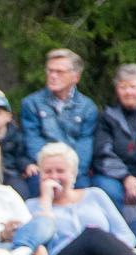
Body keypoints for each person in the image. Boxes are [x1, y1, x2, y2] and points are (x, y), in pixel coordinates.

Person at [18, 49, 97, 186]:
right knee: (37, 184)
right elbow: (33, 141)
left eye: (59, 72)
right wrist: (51, 171)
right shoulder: (31, 104)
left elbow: (85, 146)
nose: (53, 76)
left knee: (84, 189)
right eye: (50, 71)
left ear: (75, 77)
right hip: (44, 169)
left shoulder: (88, 107)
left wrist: (68, 173)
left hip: (75, 171)